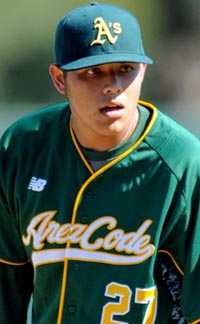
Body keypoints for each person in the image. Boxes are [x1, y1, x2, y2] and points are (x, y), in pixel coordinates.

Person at [0, 2, 199, 324]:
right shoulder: (23, 149)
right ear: (59, 79)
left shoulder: (182, 164)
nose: (113, 86)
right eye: (92, 71)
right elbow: (6, 279)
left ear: (143, 71)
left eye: (125, 69)